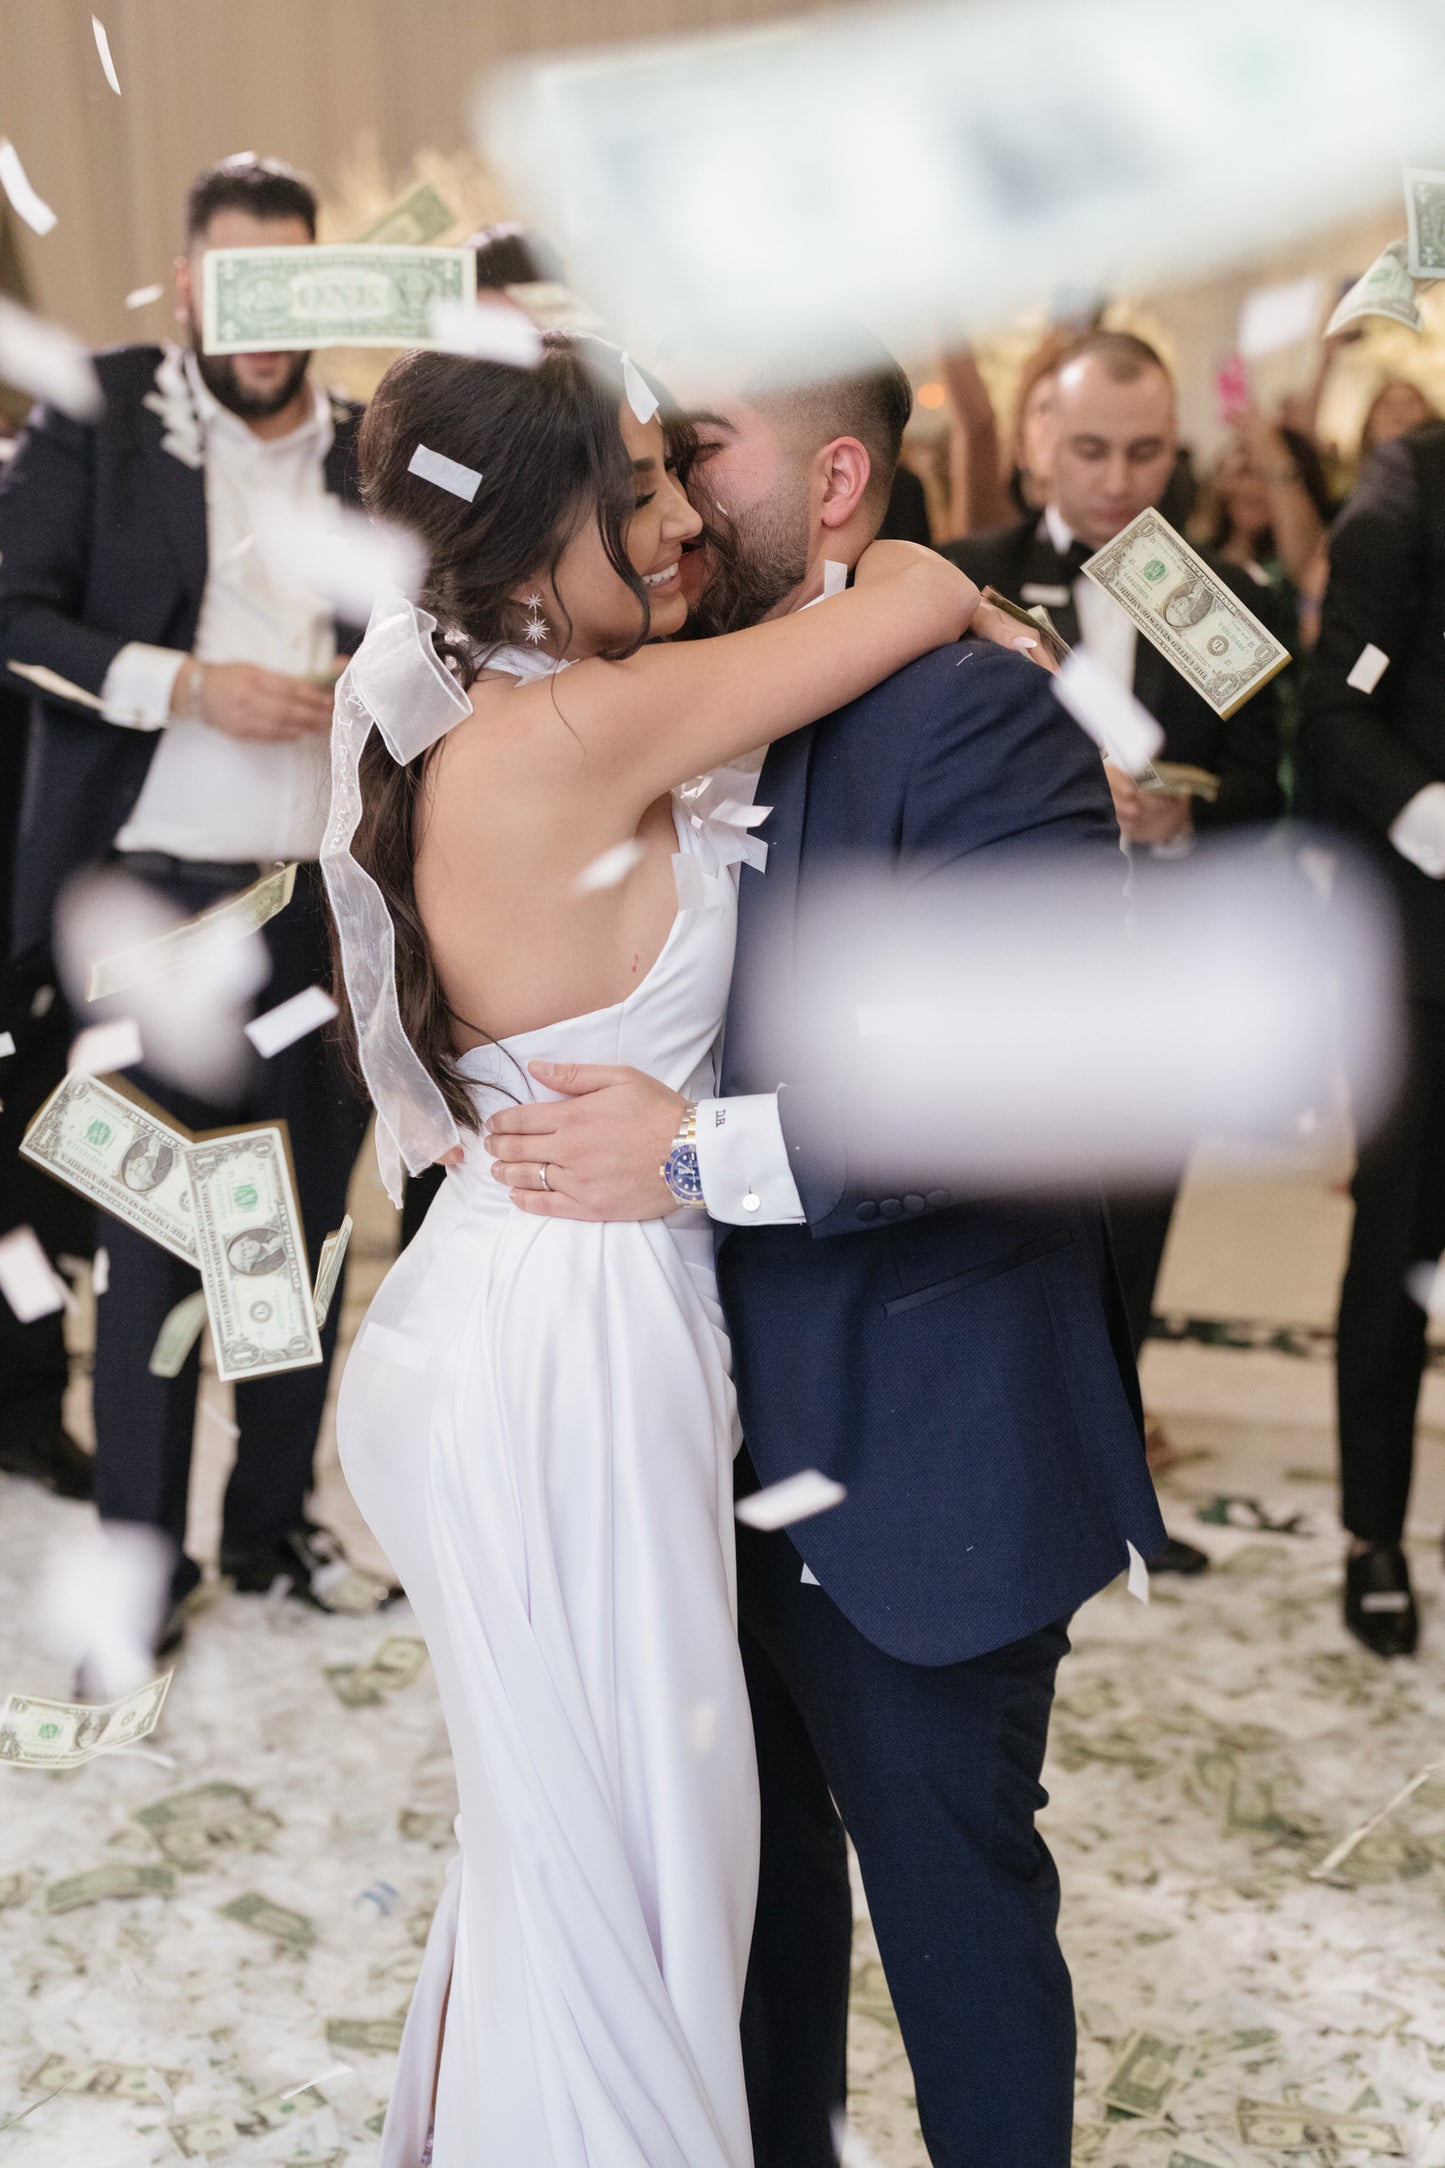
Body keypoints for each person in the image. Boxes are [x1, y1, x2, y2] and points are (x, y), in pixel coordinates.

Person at [477, 338, 1166, 2167]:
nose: (668, 501)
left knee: (956, 1935)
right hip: (688, 1451)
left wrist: (688, 1150)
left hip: (922, 1453)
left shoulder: (978, 709)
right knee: (752, 1945)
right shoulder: (661, 689)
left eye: (701, 455)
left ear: (836, 480)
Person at [327, 334, 1014, 2167]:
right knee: (641, 1873)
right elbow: (905, 589)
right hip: (569, 1337)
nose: (675, 523)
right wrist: (957, 591)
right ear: (531, 536)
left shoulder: (514, 709)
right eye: (635, 495)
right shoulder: (580, 725)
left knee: (572, 1859)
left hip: (508, 1294)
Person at [0, 154, 374, 1656]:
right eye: (237, 284)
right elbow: (14, 612)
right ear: (186, 286)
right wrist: (185, 686)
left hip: (325, 905)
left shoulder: (372, 445)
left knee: (292, 1233)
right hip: (148, 903)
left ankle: (270, 1527)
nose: (264, 321)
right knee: (158, 1235)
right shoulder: (98, 410)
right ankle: (140, 1560)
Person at [944, 330, 1284, 1502]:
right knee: (994, 1227)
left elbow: (1267, 783)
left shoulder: (1216, 597)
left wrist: (1180, 820)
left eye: (1142, 452)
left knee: (1132, 1230)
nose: (1114, 478)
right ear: (1038, 438)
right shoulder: (965, 579)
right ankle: (991, 1460)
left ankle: (1103, 1473)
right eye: (1089, 448)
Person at [1300, 412, 1445, 1659]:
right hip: (1423, 951)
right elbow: (1333, 711)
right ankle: (1373, 1534)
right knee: (1398, 1241)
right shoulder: (1406, 489)